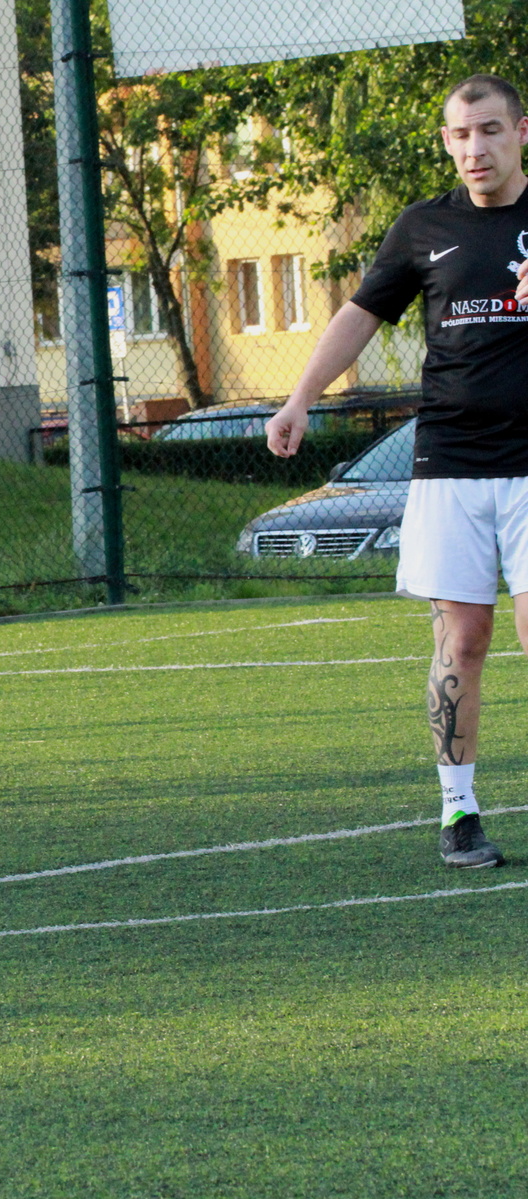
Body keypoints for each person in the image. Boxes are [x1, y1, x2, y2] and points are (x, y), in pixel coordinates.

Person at [265, 73, 528, 870]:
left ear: (522, 132)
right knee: (464, 638)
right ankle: (459, 812)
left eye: (490, 130)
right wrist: (300, 399)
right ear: (447, 142)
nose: (475, 148)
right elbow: (360, 315)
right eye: (461, 135)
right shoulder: (423, 227)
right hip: (449, 462)